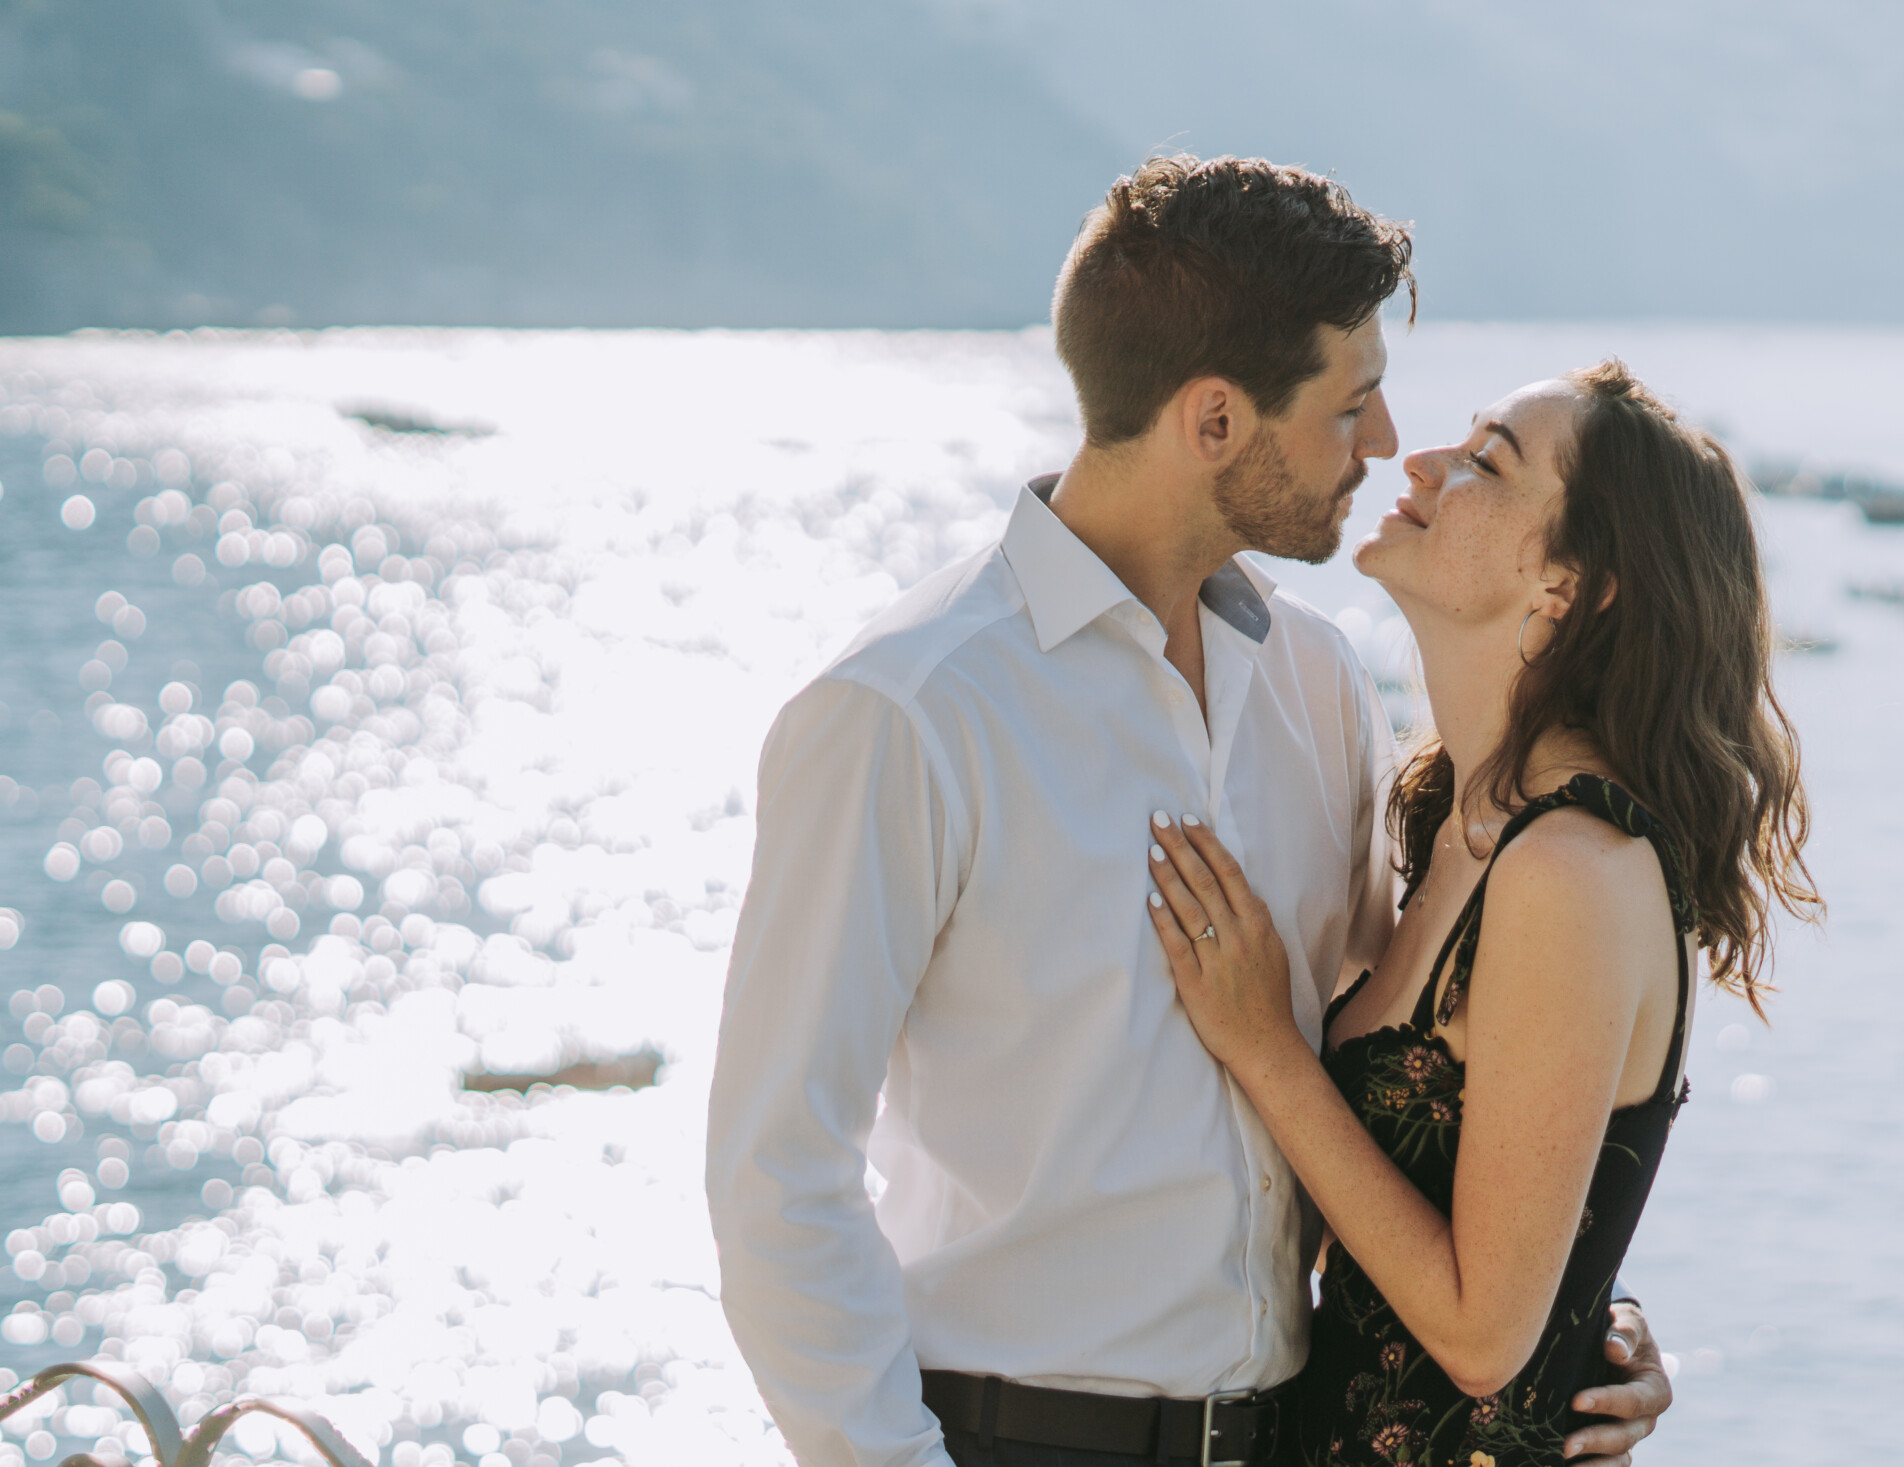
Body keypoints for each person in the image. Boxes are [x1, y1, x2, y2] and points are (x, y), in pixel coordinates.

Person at [706, 156, 1676, 1467]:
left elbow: (1390, 1100)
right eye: (1354, 405)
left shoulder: (1317, 684)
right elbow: (777, 1176)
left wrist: (1573, 1324)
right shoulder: (909, 710)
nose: (1387, 447)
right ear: (1215, 420)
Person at [1141, 362, 1819, 1466]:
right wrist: (1598, 1313)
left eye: (1485, 462)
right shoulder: (1451, 818)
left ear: (1571, 583)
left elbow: (1482, 1335)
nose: (1417, 462)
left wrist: (1264, 1043)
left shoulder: (1569, 868)